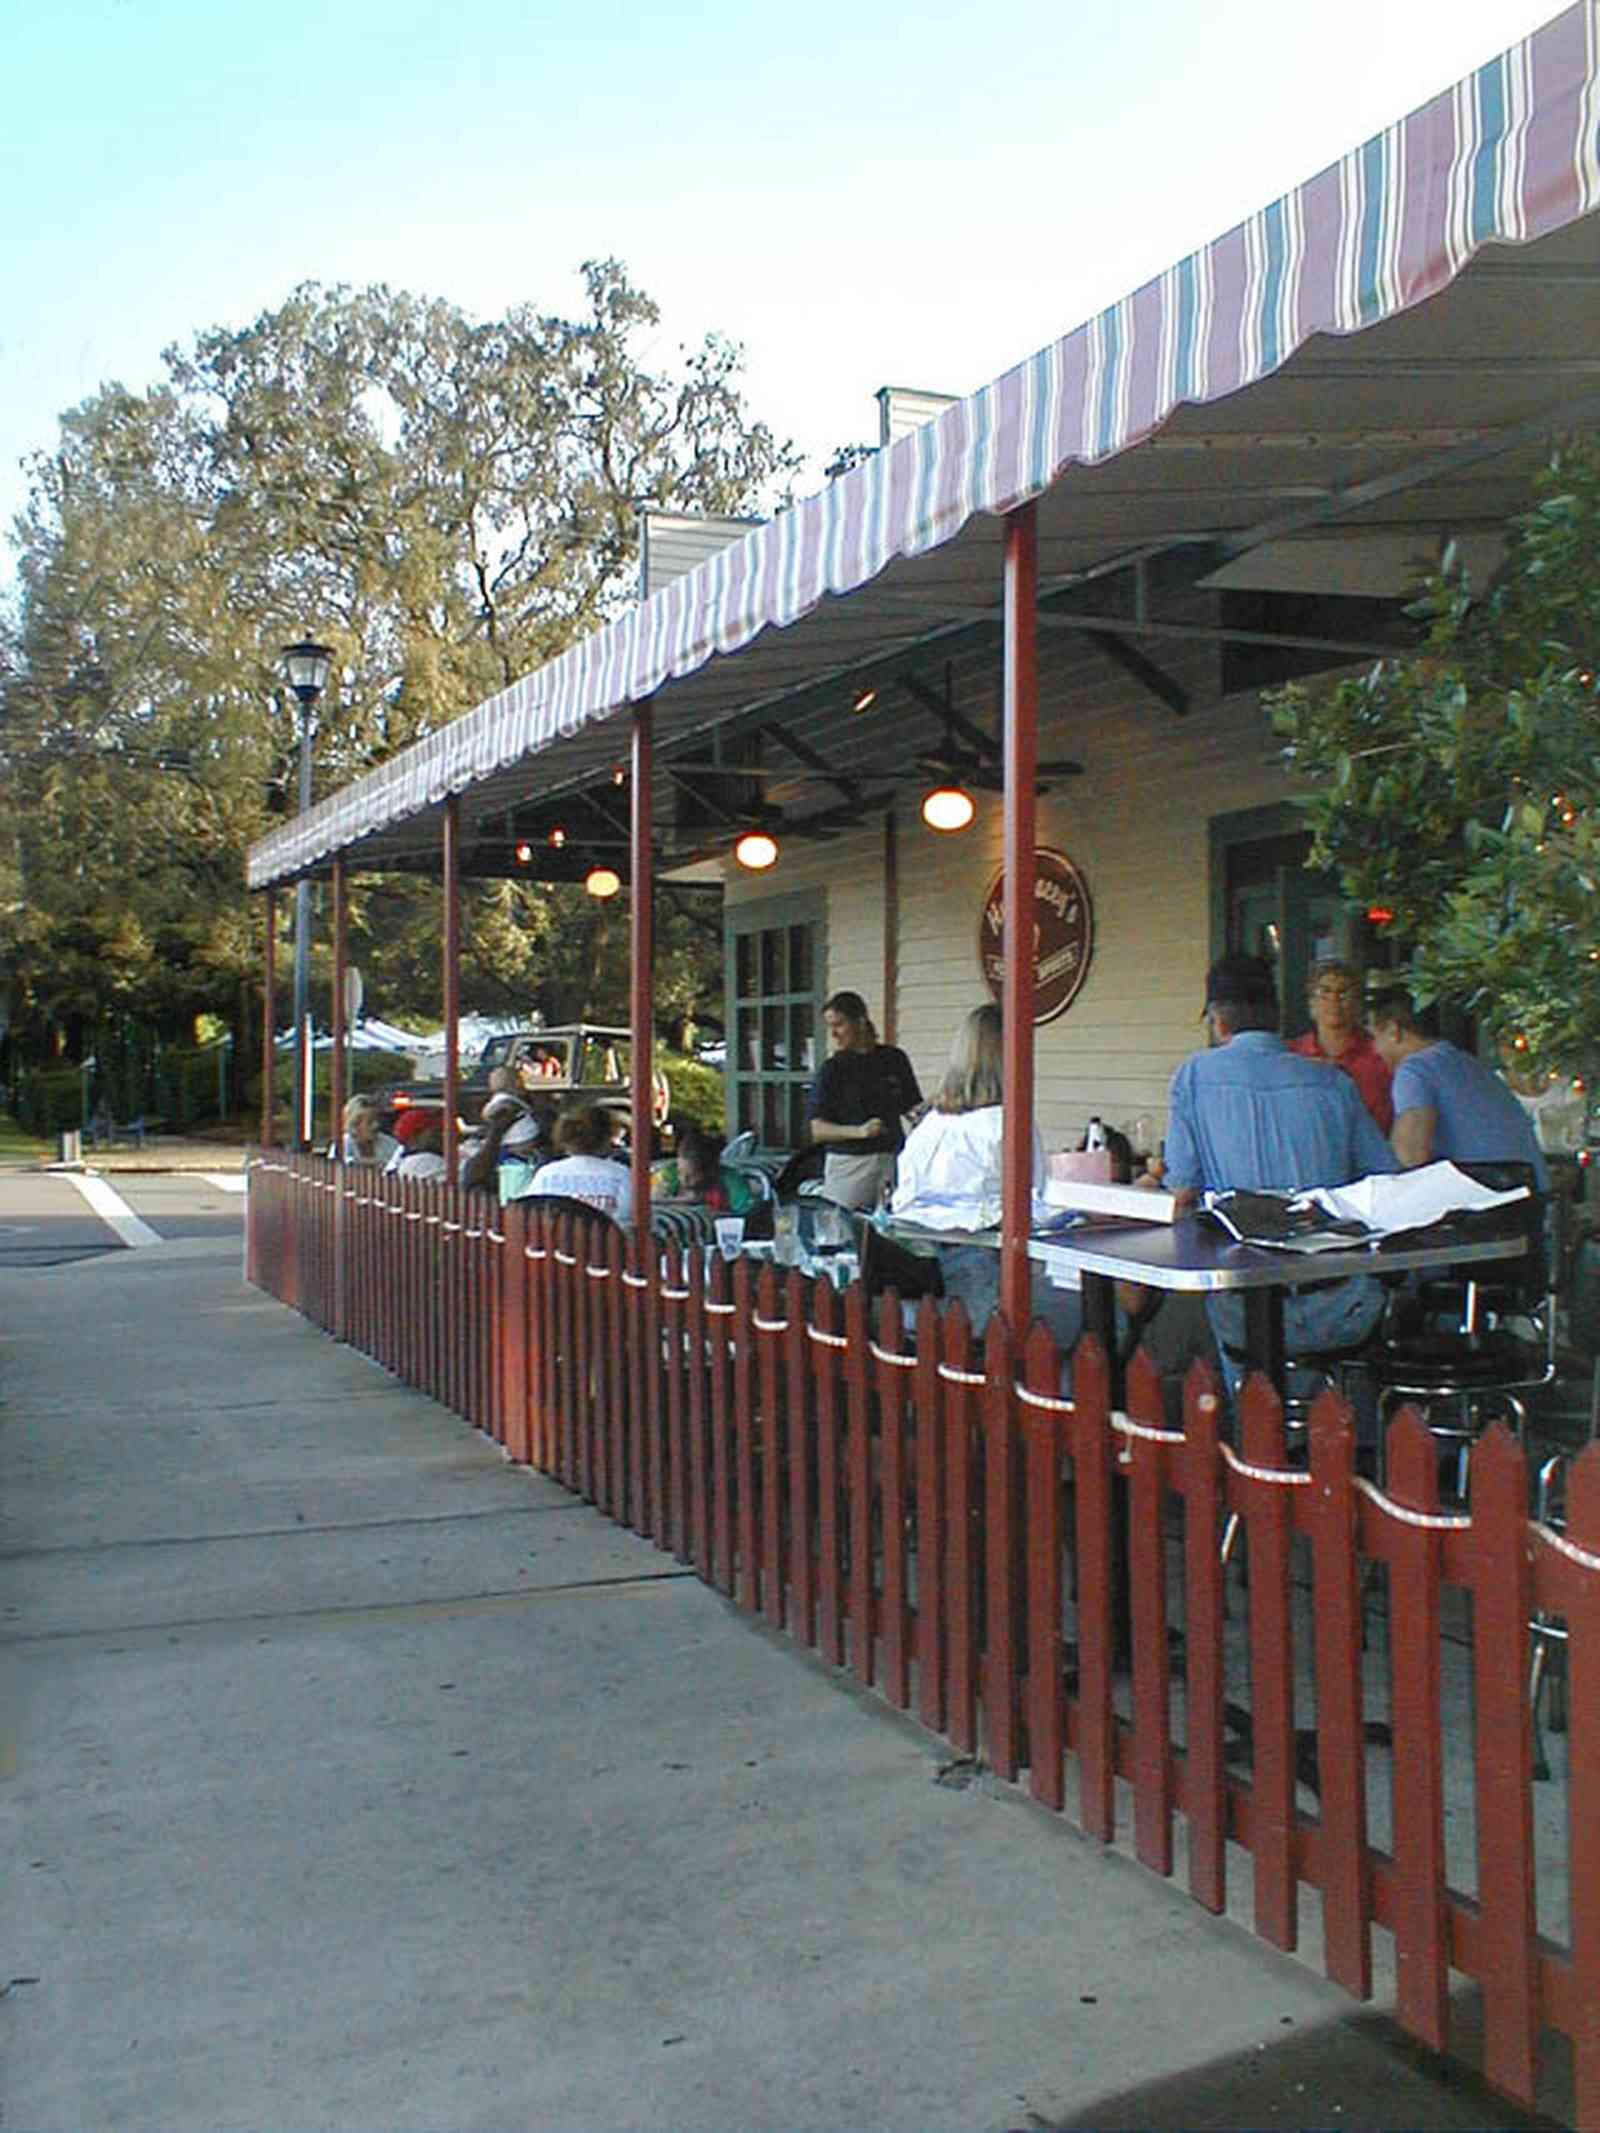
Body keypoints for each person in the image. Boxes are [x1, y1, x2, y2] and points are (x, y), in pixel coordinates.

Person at [1165, 954, 1398, 1390]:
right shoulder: (1334, 1082)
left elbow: (1182, 1193)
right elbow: (1386, 1182)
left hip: (1245, 1310)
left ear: (1219, 1020)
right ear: (1277, 1017)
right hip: (1345, 1306)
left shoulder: (1192, 1078)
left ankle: (1254, 1440)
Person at [890, 1004, 1081, 1351]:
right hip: (989, 1293)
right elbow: (1036, 1205)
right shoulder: (1008, 1123)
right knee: (1099, 1324)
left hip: (924, 1292)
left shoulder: (929, 1125)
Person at [1369, 989, 1549, 1190]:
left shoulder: (1415, 1070)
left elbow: (1410, 1156)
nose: (1375, 1049)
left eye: (1375, 1037)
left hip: (1495, 1204)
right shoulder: (1467, 1063)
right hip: (1532, 1194)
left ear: (1394, 1031)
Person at [807, 990, 923, 1210]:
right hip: (850, 1164)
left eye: (839, 1025)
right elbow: (817, 1129)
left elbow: (911, 1107)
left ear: (860, 1021)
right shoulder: (833, 1069)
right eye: (830, 1026)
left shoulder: (894, 1058)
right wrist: (859, 1131)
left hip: (892, 1160)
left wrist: (935, 1110)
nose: (834, 1034)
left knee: (890, 1231)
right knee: (844, 1230)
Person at [1289, 957, 1394, 1132]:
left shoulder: (1381, 1054)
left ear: (1358, 1003)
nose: (1334, 1000)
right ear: (1311, 1002)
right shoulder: (1291, 1054)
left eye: (1344, 992)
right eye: (1325, 992)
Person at [527, 1104, 633, 1224]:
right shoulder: (620, 1174)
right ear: (607, 1137)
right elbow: (629, 1219)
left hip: (555, 1241)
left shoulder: (546, 1174)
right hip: (605, 1241)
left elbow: (531, 1214)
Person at [651, 1127, 760, 1215]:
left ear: (710, 1171)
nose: (683, 1179)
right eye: (680, 1172)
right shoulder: (669, 1173)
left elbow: (747, 1213)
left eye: (691, 1176)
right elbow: (653, 1202)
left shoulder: (730, 1181)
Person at [384, 1107, 448, 1182]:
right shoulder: (425, 1160)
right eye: (434, 1130)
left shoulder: (400, 1156)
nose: (439, 1135)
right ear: (415, 1135)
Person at [338, 1094, 399, 1169]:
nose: (376, 1125)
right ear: (355, 1124)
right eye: (370, 1121)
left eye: (377, 1119)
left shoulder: (389, 1143)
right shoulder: (342, 1144)